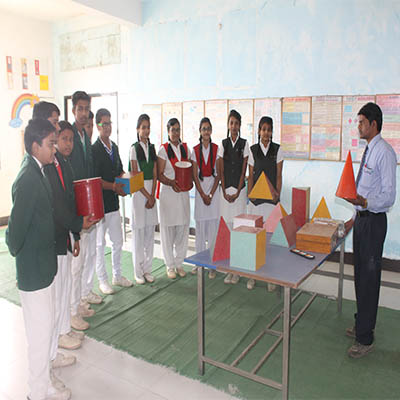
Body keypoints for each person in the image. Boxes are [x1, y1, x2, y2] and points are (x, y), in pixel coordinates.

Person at [6, 119, 72, 400]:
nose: (54, 149)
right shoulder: (28, 179)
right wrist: (24, 255)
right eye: (50, 144)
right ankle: (36, 392)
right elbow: (14, 234)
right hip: (33, 270)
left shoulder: (39, 170)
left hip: (44, 267)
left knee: (45, 331)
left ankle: (44, 384)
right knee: (38, 336)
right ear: (35, 146)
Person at [344, 102, 396, 358]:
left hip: (374, 223)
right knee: (359, 275)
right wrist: (353, 218)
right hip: (362, 221)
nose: (359, 126)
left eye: (362, 122)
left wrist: (364, 203)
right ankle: (361, 323)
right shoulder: (368, 150)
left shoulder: (384, 153)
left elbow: (388, 197)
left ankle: (365, 338)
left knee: (369, 279)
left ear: (374, 124)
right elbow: (362, 191)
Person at [68, 91, 101, 332]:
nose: (83, 113)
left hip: (86, 207)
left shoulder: (84, 137)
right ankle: (71, 312)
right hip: (73, 209)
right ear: (73, 110)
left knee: (84, 258)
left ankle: (79, 301)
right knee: (75, 264)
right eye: (79, 108)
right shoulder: (69, 136)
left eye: (86, 108)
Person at [92, 108, 133, 294]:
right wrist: (113, 187)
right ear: (98, 126)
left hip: (114, 204)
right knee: (100, 245)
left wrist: (126, 185)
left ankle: (117, 275)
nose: (107, 127)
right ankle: (102, 280)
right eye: (104, 124)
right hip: (100, 205)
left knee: (117, 241)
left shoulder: (114, 147)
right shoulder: (94, 150)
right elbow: (96, 180)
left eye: (109, 123)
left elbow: (120, 171)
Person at [247, 116, 283, 290]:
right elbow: (250, 175)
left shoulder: (278, 150)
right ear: (259, 131)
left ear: (272, 131)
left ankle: (270, 277)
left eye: (269, 129)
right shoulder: (253, 150)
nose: (266, 133)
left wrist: (277, 194)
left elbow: (279, 175)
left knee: (270, 240)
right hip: (256, 203)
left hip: (271, 202)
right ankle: (253, 276)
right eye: (263, 129)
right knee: (254, 238)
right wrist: (250, 195)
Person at [218, 109, 249, 285]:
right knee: (227, 229)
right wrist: (224, 191)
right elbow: (221, 170)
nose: (234, 126)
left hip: (239, 192)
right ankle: (229, 269)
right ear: (228, 125)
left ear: (240, 125)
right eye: (231, 123)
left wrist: (237, 192)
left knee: (239, 229)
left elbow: (244, 170)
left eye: (237, 123)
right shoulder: (223, 144)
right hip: (225, 192)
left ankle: (237, 270)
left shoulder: (244, 144)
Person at [157, 118, 191, 279]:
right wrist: (171, 183)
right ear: (168, 132)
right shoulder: (163, 150)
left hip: (183, 195)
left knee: (183, 229)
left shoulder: (185, 148)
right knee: (168, 231)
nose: (176, 133)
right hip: (168, 195)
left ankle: (179, 263)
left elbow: (190, 170)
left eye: (178, 129)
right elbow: (159, 174)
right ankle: (170, 265)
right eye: (173, 130)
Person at [129, 114, 158, 284]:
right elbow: (135, 176)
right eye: (143, 127)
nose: (146, 130)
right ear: (138, 129)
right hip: (139, 193)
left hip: (150, 193)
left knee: (149, 232)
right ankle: (138, 271)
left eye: (148, 127)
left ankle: (147, 269)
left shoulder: (152, 148)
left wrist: (152, 195)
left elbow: (155, 174)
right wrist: (147, 196)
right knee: (139, 233)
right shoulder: (134, 148)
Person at [191, 117, 220, 279]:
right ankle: (199, 263)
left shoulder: (217, 149)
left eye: (208, 128)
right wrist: (203, 194)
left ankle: (212, 265)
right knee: (200, 230)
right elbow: (195, 175)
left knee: (213, 230)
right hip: (200, 190)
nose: (206, 131)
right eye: (204, 129)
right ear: (200, 131)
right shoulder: (195, 150)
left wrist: (211, 194)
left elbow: (219, 175)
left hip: (213, 192)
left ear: (211, 130)